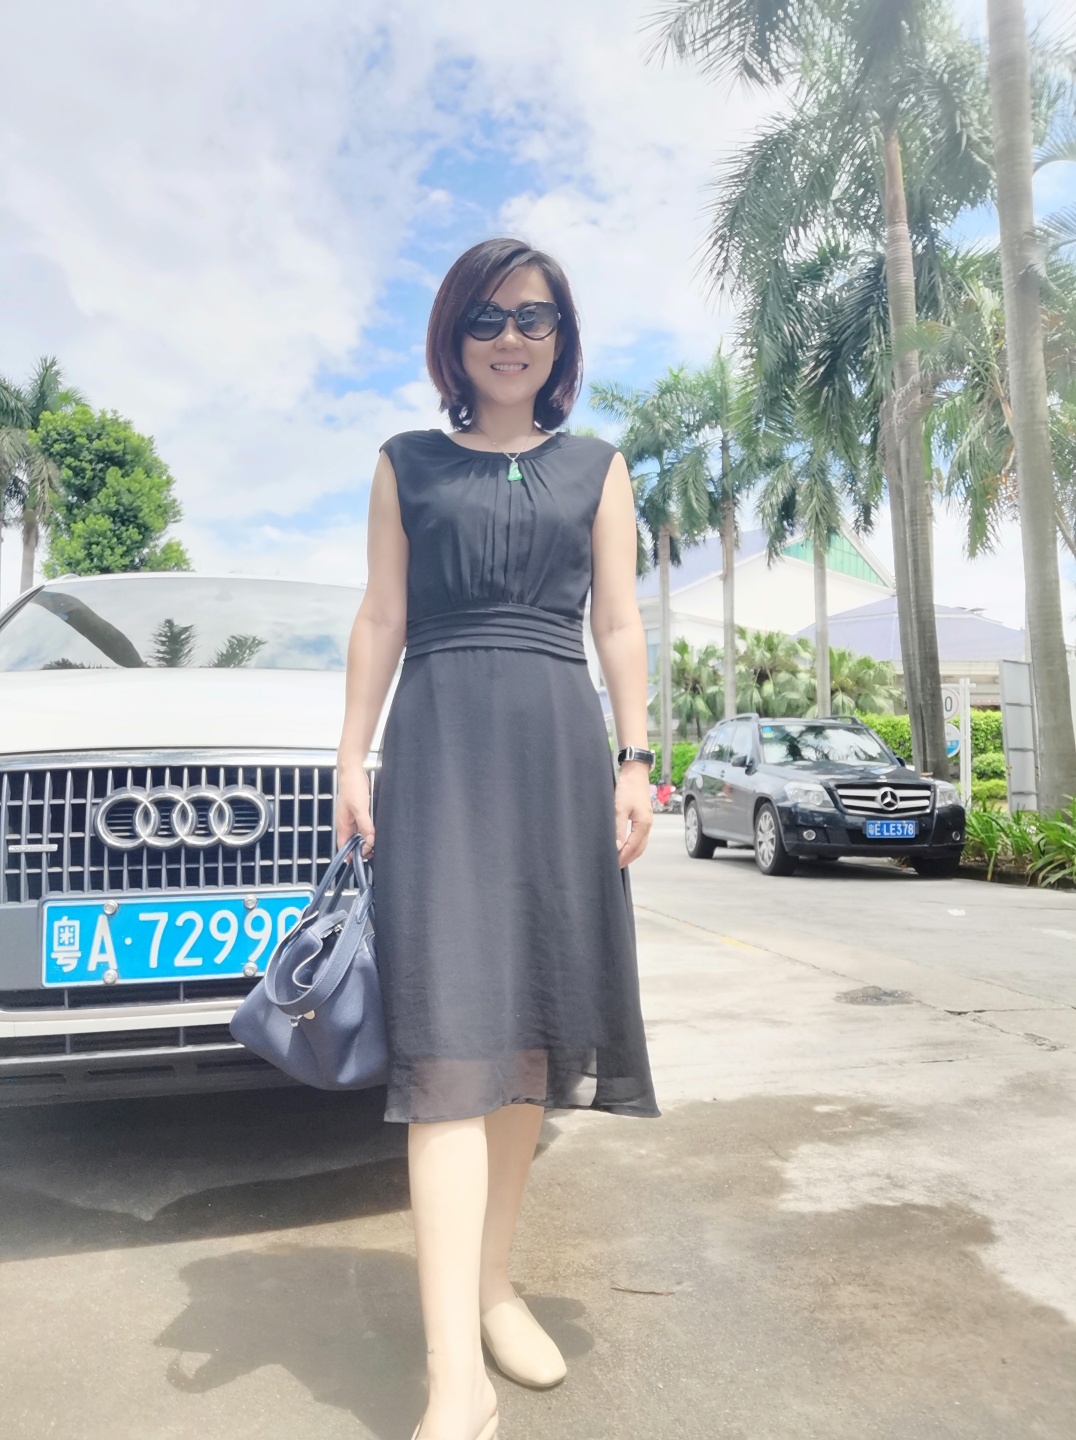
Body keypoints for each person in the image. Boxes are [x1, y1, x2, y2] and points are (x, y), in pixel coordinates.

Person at [336, 237, 659, 1440]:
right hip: (437, 753)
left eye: (532, 317)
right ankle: (452, 1381)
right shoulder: (405, 463)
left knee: (527, 1029)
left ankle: (490, 1285)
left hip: (556, 756)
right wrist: (349, 757)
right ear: (451, 337)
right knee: (446, 1049)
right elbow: (381, 616)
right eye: (485, 317)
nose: (509, 337)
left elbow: (618, 626)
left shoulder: (597, 468)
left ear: (559, 338)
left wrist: (636, 759)